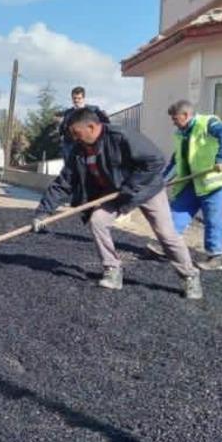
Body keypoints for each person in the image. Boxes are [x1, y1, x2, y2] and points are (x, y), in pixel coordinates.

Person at [34, 109, 203, 300]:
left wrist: (131, 187)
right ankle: (112, 269)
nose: (74, 138)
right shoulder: (78, 150)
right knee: (97, 221)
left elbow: (155, 161)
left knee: (166, 235)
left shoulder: (120, 136)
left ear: (91, 127)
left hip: (146, 189)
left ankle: (190, 276)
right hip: (114, 193)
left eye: (76, 133)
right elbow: (64, 182)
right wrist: (43, 212)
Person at [159, 99, 222, 271]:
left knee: (212, 218)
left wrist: (220, 158)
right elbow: (176, 158)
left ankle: (215, 257)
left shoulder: (208, 123)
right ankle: (167, 247)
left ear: (186, 115)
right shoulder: (181, 134)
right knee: (177, 211)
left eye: (175, 118)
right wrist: (163, 179)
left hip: (214, 181)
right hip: (192, 181)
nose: (173, 122)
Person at [58, 86, 110, 160]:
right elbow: (62, 130)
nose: (76, 100)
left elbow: (105, 123)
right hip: (72, 146)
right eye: (74, 98)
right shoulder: (68, 113)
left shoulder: (94, 110)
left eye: (79, 98)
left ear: (83, 98)